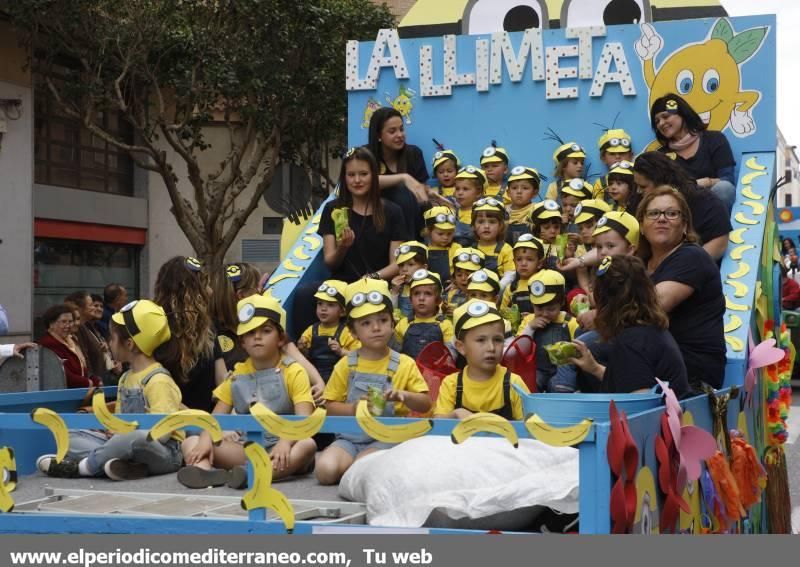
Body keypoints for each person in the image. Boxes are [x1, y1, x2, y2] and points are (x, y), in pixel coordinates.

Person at [178, 294, 317, 488]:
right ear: (242, 342)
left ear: (280, 338)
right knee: (192, 440)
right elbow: (217, 416)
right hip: (247, 446)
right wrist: (204, 440)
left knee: (308, 444)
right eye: (250, 333)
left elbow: (303, 419)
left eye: (266, 331)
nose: (257, 337)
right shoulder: (238, 373)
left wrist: (285, 443)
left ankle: (256, 474)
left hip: (286, 446)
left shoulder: (294, 370)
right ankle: (204, 472)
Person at [37, 300, 184, 480]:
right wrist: (113, 430)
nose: (109, 343)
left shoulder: (158, 380)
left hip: (164, 454)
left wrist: (123, 434)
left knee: (134, 438)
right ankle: (124, 466)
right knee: (70, 433)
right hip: (126, 444)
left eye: (113, 338)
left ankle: (82, 468)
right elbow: (120, 419)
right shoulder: (125, 377)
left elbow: (162, 434)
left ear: (129, 344)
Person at [315, 279, 431, 485]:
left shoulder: (404, 363)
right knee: (325, 471)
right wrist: (353, 409)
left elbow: (425, 403)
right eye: (366, 323)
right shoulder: (346, 364)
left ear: (392, 324)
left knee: (363, 467)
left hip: (388, 437)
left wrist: (404, 396)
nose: (376, 328)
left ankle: (358, 472)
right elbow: (329, 405)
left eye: (383, 320)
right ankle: (352, 470)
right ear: (352, 331)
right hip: (349, 439)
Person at [636, 186, 726, 390]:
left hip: (691, 372)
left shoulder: (692, 257)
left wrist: (600, 315)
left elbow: (653, 307)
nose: (662, 219)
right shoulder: (639, 263)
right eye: (653, 213)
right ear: (641, 224)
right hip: (653, 361)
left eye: (672, 213)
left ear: (685, 225)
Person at [569, 256, 689, 398]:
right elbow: (630, 382)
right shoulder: (650, 330)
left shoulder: (631, 342)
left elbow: (641, 404)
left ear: (603, 299)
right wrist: (594, 368)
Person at [319, 147, 407, 283]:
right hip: (341, 287)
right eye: (351, 175)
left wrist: (371, 278)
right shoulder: (333, 210)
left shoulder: (393, 211)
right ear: (344, 177)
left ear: (374, 175)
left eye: (364, 174)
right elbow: (330, 263)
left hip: (377, 286)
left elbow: (396, 264)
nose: (357, 180)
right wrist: (343, 246)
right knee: (304, 294)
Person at [434, 299, 529, 419]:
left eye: (498, 340)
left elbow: (530, 428)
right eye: (481, 340)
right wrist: (454, 414)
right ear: (461, 347)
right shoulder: (451, 384)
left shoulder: (514, 384)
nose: (491, 348)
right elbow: (438, 425)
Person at [153, 256, 226, 412]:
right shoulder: (155, 328)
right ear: (189, 291)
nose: (211, 291)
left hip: (206, 426)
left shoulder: (208, 328)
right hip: (167, 422)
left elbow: (223, 383)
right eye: (204, 285)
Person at [632, 151, 731, 261]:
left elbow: (720, 242)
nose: (638, 191)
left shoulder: (706, 202)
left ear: (662, 183)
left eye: (643, 186)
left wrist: (688, 267)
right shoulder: (640, 201)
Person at [651, 94, 736, 212]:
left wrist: (705, 182)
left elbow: (727, 179)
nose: (661, 123)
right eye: (657, 121)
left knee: (724, 188)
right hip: (682, 210)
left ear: (682, 115)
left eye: (665, 116)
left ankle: (720, 229)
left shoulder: (714, 139)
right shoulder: (660, 156)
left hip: (714, 206)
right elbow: (664, 191)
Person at [367, 107, 430, 238]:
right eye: (392, 131)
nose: (400, 135)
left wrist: (429, 193)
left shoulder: (414, 154)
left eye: (401, 129)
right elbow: (364, 182)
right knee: (401, 191)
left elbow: (420, 190)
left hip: (412, 222)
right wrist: (403, 178)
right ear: (378, 135)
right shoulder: (366, 155)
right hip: (378, 221)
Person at [517, 270, 579, 393]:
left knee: (561, 386)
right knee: (529, 384)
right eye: (539, 308)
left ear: (561, 303)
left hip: (562, 374)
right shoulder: (529, 320)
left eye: (551, 309)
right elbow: (519, 350)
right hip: (537, 371)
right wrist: (530, 328)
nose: (545, 314)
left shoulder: (570, 322)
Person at [298, 280, 360, 383]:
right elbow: (304, 356)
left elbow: (359, 356)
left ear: (342, 312)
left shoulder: (346, 332)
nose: (323, 309)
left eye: (330, 305)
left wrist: (341, 351)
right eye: (320, 304)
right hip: (314, 377)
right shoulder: (311, 330)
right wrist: (302, 348)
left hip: (339, 379)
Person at [38, 304, 102, 388]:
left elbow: (82, 369)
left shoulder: (69, 341)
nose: (68, 325)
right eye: (64, 322)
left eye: (70, 321)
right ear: (51, 324)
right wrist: (89, 383)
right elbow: (64, 375)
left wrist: (96, 381)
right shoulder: (48, 344)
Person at [395, 270, 454, 359]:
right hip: (408, 371)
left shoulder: (445, 325)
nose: (421, 298)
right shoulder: (403, 324)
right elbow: (395, 354)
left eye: (428, 293)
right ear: (410, 299)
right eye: (416, 293)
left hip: (437, 372)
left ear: (438, 300)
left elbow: (451, 356)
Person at [65, 291, 115, 380]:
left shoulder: (88, 326)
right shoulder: (77, 329)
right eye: (92, 305)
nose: (95, 308)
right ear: (80, 308)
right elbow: (85, 357)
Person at [501, 234, 545, 317]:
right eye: (519, 259)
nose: (523, 264)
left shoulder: (546, 284)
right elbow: (503, 314)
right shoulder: (511, 289)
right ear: (514, 262)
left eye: (529, 259)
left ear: (540, 263)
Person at [472, 197, 514, 281]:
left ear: (501, 226)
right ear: (473, 226)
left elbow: (510, 275)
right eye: (481, 222)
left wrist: (497, 289)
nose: (486, 226)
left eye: (492, 222)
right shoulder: (470, 250)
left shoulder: (506, 249)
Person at [593, 128, 635, 200]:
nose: (617, 157)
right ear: (603, 158)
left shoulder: (638, 178)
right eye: (612, 154)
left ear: (631, 156)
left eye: (622, 153)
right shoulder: (600, 183)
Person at [390, 241, 429, 319]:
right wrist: (394, 292)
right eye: (401, 265)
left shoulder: (430, 287)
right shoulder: (400, 287)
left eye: (410, 264)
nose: (404, 269)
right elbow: (391, 312)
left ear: (424, 268)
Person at [423, 206, 457, 288]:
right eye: (440, 234)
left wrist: (456, 283)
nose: (445, 237)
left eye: (449, 233)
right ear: (429, 231)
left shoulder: (456, 248)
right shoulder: (422, 249)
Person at [505, 167, 540, 245]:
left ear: (535, 192)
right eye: (514, 188)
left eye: (525, 188)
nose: (519, 191)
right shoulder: (502, 211)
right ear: (508, 192)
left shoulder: (538, 211)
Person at [452, 166, 485, 247]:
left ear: (479, 192)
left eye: (465, 189)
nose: (460, 193)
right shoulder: (452, 211)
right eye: (457, 189)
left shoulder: (482, 213)